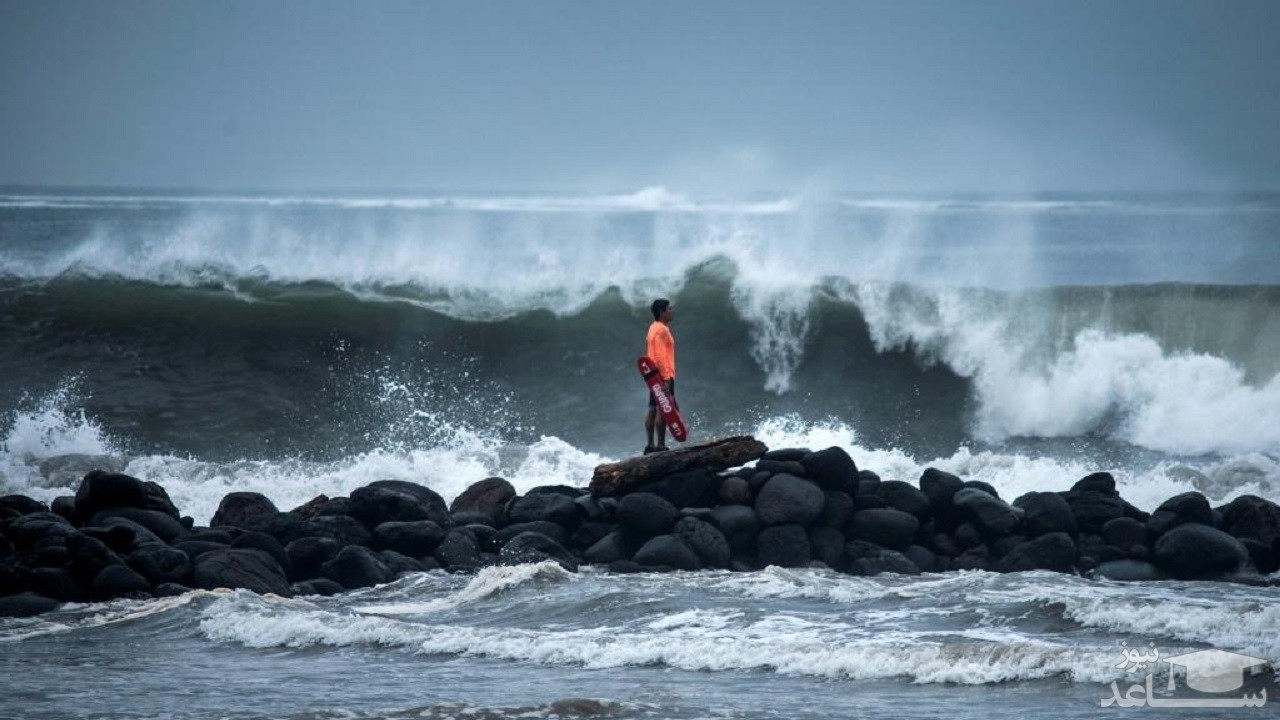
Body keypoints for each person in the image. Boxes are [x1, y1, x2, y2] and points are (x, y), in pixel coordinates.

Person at [644, 298, 676, 454]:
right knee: (663, 410)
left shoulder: (653, 328)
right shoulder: (662, 330)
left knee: (652, 409)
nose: (672, 311)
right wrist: (665, 379)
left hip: (651, 374)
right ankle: (661, 446)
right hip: (662, 374)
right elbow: (660, 356)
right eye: (669, 309)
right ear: (662, 312)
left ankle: (650, 445)